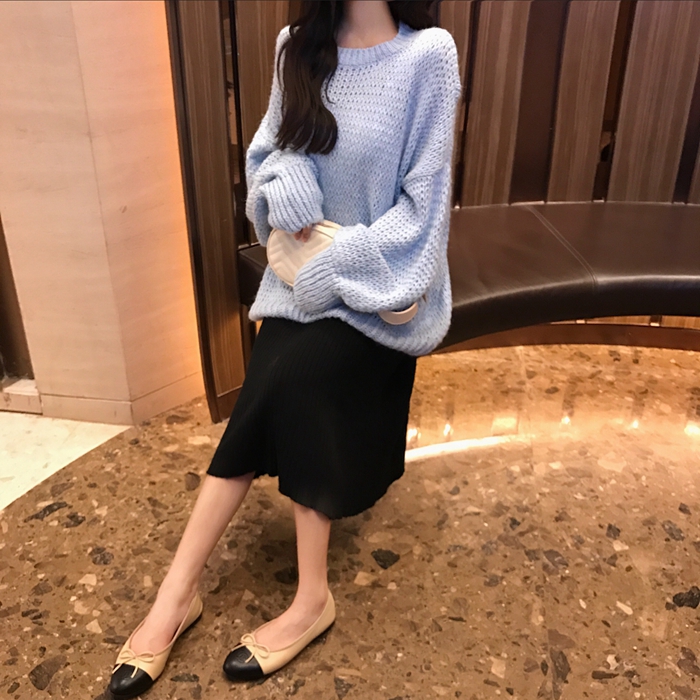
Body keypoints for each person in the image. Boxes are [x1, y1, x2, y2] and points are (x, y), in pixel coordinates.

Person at [108, 1, 461, 696]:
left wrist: (337, 266)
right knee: (278, 382)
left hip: (375, 290)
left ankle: (300, 599)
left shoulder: (428, 56)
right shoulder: (295, 45)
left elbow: (424, 211)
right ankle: (181, 595)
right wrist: (284, 177)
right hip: (297, 283)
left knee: (292, 378)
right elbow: (265, 158)